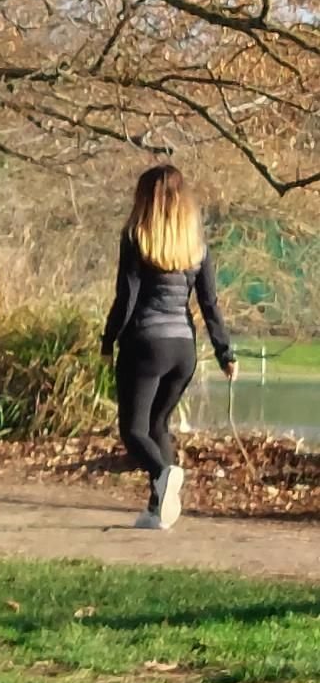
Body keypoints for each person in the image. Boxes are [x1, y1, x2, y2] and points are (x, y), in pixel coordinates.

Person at [102, 164, 236, 531]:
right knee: (159, 425)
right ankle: (157, 508)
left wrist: (108, 339)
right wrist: (226, 352)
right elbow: (210, 303)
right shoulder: (196, 246)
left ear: (144, 198)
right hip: (183, 349)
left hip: (146, 344)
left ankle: (164, 472)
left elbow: (126, 298)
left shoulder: (136, 237)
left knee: (133, 431)